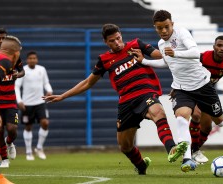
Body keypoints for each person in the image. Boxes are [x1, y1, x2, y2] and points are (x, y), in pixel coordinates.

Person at [43, 23, 189, 175]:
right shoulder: (104, 60)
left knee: (158, 112)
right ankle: (141, 166)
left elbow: (161, 56)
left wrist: (177, 53)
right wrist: (63, 96)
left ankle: (171, 148)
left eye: (118, 38)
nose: (117, 43)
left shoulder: (136, 45)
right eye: (112, 41)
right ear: (106, 42)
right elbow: (88, 82)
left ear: (121, 35)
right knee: (125, 146)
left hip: (146, 93)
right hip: (126, 102)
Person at [131, 10, 223, 172]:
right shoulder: (162, 44)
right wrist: (145, 62)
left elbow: (194, 52)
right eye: (159, 28)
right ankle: (187, 159)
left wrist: (176, 53)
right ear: (155, 28)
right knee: (181, 118)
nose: (163, 31)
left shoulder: (182, 33)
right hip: (181, 88)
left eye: (166, 27)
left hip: (202, 85)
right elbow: (167, 63)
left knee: (219, 120)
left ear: (172, 25)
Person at [188, 36, 223, 164]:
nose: (221, 48)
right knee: (196, 115)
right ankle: (191, 151)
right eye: (219, 45)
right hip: (192, 91)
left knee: (207, 128)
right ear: (214, 46)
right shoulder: (203, 57)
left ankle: (194, 151)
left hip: (207, 94)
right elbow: (187, 71)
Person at [0, 28, 25, 168]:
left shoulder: (12, 59)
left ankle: (9, 142)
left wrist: (18, 74)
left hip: (10, 101)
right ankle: (3, 159)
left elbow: (22, 71)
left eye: (4, 38)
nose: (1, 40)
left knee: (12, 129)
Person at [15, 51, 52, 161]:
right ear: (27, 60)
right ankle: (29, 151)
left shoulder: (42, 69)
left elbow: (46, 83)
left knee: (45, 123)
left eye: (34, 58)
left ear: (37, 59)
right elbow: (16, 86)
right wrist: (19, 100)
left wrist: (49, 90)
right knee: (28, 127)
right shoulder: (23, 71)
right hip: (27, 104)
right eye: (30, 58)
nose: (32, 60)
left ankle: (39, 148)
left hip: (40, 102)